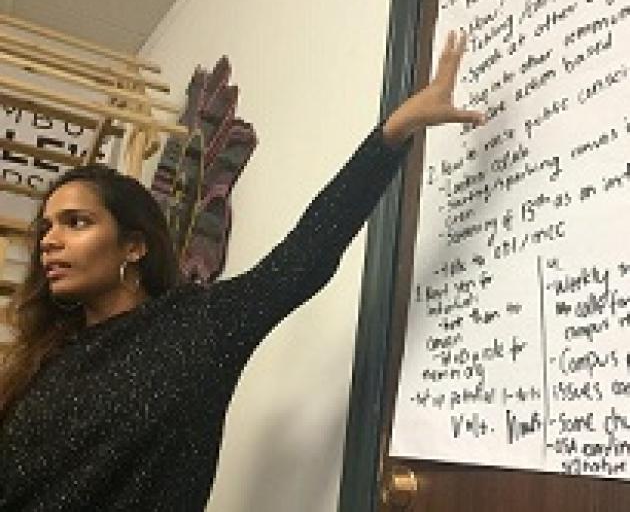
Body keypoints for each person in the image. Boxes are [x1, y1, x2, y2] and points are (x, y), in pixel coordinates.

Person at [0, 31, 483, 511]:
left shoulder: (198, 326)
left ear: (134, 245)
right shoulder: (42, 359)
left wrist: (393, 133)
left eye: (76, 222)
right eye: (45, 228)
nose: (50, 241)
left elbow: (303, 258)